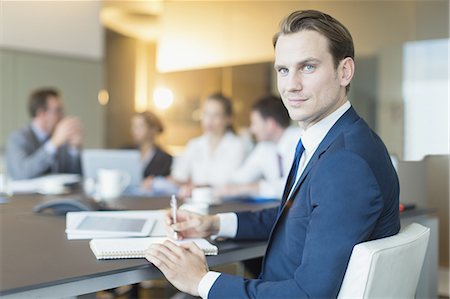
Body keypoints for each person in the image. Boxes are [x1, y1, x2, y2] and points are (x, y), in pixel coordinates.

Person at [144, 10, 400, 299]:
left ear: (345, 71)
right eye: (283, 70)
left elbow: (308, 295)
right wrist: (214, 224)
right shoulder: (335, 140)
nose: (291, 85)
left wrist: (201, 281)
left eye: (308, 67)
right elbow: (296, 218)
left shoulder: (346, 163)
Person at [215, 94, 301, 199]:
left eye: (254, 123)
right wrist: (215, 188)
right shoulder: (264, 147)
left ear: (270, 124)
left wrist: (253, 188)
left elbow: (294, 187)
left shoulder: (301, 140)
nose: (252, 129)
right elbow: (240, 178)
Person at [171, 93, 246, 195]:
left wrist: (198, 186)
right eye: (206, 114)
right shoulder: (194, 144)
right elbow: (179, 176)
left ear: (228, 118)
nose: (209, 120)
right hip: (196, 202)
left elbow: (231, 182)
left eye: (216, 115)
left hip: (227, 204)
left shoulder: (238, 145)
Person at [6, 88, 83, 180]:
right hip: (27, 194)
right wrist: (53, 144)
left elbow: (74, 176)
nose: (62, 115)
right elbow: (21, 173)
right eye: (58, 110)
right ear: (41, 114)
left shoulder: (60, 138)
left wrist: (74, 148)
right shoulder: (17, 138)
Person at [129, 111, 173, 188]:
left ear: (152, 130)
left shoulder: (165, 159)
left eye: (140, 126)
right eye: (133, 127)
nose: (134, 131)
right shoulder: (126, 152)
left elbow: (165, 185)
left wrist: (153, 183)